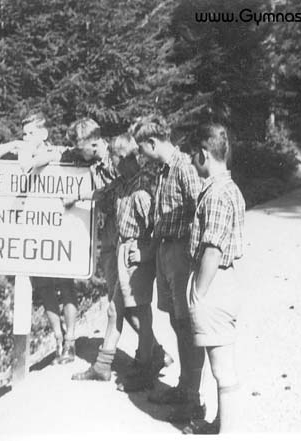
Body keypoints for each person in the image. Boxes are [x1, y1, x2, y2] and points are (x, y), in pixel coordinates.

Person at [71, 134, 167, 391]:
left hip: (136, 254)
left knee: (140, 312)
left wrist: (145, 253)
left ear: (123, 158)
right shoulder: (122, 183)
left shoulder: (141, 189)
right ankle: (106, 365)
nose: (111, 163)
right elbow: (101, 193)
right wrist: (75, 196)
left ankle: (145, 365)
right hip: (123, 250)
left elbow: (156, 226)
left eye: (113, 158)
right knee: (117, 310)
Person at [0, 112, 78, 364]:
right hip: (32, 231)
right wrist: (12, 145)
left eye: (31, 133)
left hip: (59, 228)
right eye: (24, 134)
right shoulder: (21, 152)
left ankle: (71, 340)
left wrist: (35, 156)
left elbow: (45, 161)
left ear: (44, 133)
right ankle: (58, 338)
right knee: (45, 288)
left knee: (66, 284)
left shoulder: (57, 151)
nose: (26, 138)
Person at [129, 115, 205, 422]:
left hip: (181, 251)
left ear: (152, 142)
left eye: (141, 148)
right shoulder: (162, 170)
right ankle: (184, 387)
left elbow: (200, 210)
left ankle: (192, 398)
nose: (140, 154)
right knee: (176, 321)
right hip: (165, 250)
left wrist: (192, 255)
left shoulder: (184, 167)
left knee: (187, 324)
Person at [184, 121, 246, 434]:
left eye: (193, 155)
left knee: (222, 368)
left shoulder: (217, 194)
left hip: (214, 284)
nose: (192, 161)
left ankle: (229, 433)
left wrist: (198, 292)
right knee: (221, 364)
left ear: (203, 154)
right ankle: (222, 425)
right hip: (223, 282)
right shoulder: (227, 188)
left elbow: (212, 249)